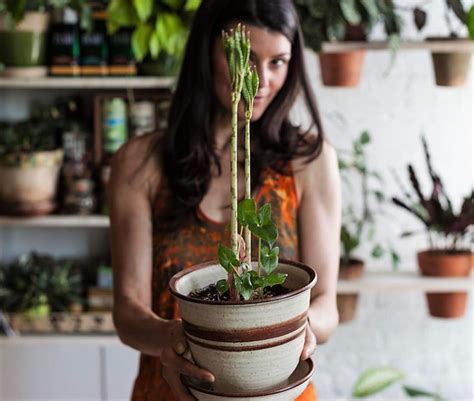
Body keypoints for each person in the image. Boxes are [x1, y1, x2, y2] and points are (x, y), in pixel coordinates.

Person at [109, 0, 341, 400]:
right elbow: (128, 312)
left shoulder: (310, 162)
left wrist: (296, 329)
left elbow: (325, 305)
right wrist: (177, 338)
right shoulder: (139, 164)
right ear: (207, 55)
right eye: (246, 59)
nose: (263, 81)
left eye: (278, 62)